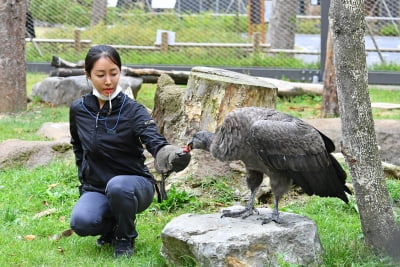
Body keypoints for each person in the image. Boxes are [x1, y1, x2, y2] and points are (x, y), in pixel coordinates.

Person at [69, 45, 190, 258]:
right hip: (97, 187)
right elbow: (78, 147)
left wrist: (172, 155)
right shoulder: (79, 109)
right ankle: (111, 228)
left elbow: (155, 141)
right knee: (81, 223)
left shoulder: (133, 110)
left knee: (118, 187)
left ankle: (125, 238)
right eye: (100, 74)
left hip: (134, 186)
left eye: (113, 73)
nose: (108, 81)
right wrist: (84, 182)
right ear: (87, 75)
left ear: (120, 72)